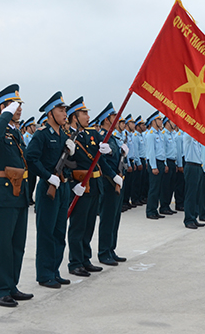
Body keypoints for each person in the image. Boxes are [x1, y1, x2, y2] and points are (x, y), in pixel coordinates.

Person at [0, 84, 32, 307]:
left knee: (17, 244)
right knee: (2, 244)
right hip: (2, 194)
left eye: (20, 104)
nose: (19, 108)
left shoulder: (15, 132)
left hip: (18, 193)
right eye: (15, 105)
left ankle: (11, 286)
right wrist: (6, 113)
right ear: (3, 108)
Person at [25, 91, 74, 289]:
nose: (64, 113)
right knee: (46, 232)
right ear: (49, 114)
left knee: (59, 231)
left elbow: (66, 162)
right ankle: (45, 274)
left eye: (65, 110)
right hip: (48, 188)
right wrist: (47, 176)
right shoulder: (41, 135)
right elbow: (31, 158)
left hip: (61, 187)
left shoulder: (63, 135)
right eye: (60, 110)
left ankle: (54, 270)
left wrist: (72, 152)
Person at [66, 97, 112, 277]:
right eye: (84, 113)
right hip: (79, 185)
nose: (88, 116)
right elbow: (65, 162)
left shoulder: (91, 134)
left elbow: (105, 153)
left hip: (94, 185)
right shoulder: (69, 136)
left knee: (89, 225)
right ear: (74, 117)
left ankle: (85, 259)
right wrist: (72, 182)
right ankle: (75, 262)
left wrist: (110, 150)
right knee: (78, 226)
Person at [93, 102, 126, 266]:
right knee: (107, 218)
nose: (117, 119)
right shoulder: (102, 136)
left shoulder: (112, 136)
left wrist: (121, 152)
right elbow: (103, 161)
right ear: (107, 119)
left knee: (115, 218)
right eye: (114, 117)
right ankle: (104, 252)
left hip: (117, 181)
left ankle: (111, 249)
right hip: (108, 182)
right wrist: (114, 176)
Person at [182, 132, 205, 229]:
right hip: (191, 166)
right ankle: (188, 219)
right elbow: (190, 131)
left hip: (198, 167)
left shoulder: (198, 140)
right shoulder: (187, 136)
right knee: (191, 194)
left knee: (197, 194)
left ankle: (194, 217)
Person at [144, 111, 168, 220]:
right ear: (154, 121)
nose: (161, 121)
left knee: (159, 188)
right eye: (159, 119)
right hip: (155, 163)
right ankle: (150, 211)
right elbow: (151, 152)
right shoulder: (150, 135)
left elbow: (163, 151)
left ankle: (155, 210)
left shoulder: (160, 134)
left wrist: (165, 164)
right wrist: (153, 166)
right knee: (154, 188)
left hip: (161, 162)